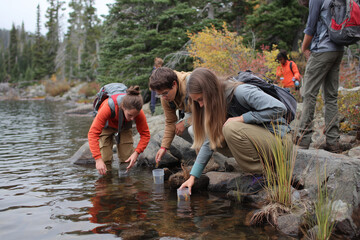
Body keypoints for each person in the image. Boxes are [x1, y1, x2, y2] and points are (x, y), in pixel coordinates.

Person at [179, 68, 291, 194]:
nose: (200, 105)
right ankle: (259, 169)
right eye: (196, 101)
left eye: (200, 99)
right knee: (216, 135)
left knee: (230, 128)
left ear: (210, 91)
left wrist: (242, 118)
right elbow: (209, 141)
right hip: (261, 142)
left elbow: (279, 108)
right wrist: (193, 176)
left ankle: (264, 175)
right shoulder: (216, 102)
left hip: (279, 141)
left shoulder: (241, 92)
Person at [296, 0, 345, 153]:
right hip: (338, 49)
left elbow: (310, 27)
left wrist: (304, 47)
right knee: (331, 97)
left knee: (308, 93)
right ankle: (333, 141)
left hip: (322, 50)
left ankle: (303, 139)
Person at [88, 86, 150, 175]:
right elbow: (92, 133)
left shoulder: (138, 112)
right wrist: (98, 159)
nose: (133, 118)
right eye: (130, 115)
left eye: (135, 116)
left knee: (127, 158)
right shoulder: (107, 107)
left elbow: (145, 134)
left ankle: (125, 182)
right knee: (104, 159)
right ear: (123, 107)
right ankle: (107, 181)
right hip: (107, 125)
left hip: (124, 126)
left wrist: (136, 153)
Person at [149, 67, 192, 163]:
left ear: (174, 84)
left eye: (165, 93)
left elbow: (208, 113)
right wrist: (164, 147)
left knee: (191, 129)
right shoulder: (164, 96)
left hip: (213, 115)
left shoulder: (191, 85)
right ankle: (206, 152)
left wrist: (185, 122)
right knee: (178, 128)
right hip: (194, 115)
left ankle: (211, 153)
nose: (163, 97)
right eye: (160, 95)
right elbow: (170, 122)